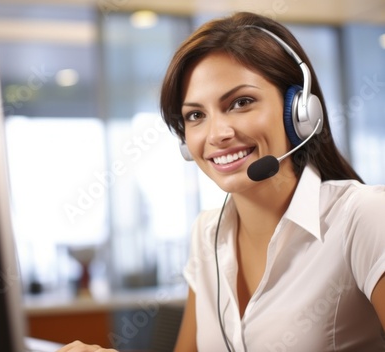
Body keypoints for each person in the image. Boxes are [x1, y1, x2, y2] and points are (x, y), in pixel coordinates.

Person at [58, 11, 385, 352]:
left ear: (299, 113)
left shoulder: (363, 217)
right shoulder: (207, 235)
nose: (217, 134)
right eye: (196, 115)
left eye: (241, 103)